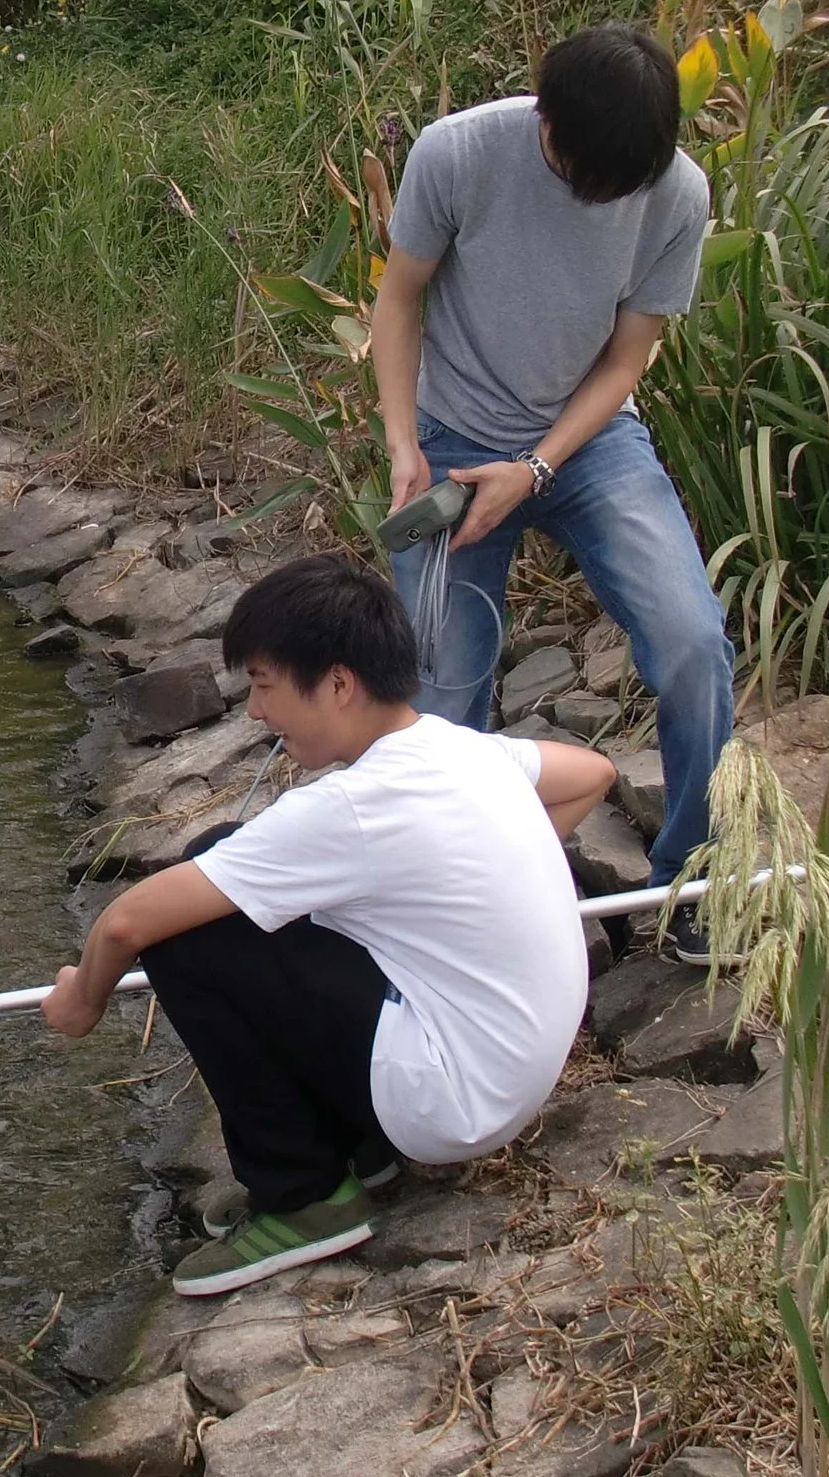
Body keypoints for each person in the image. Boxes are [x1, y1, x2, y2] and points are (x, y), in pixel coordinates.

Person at [41, 554, 615, 1296]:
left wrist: (81, 1002)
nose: (255, 712)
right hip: (503, 1067)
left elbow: (127, 924)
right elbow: (592, 773)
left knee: (185, 934)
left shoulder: (352, 807)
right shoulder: (461, 749)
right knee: (221, 862)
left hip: (454, 1100)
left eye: (265, 685)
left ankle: (303, 1195)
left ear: (338, 684)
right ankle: (361, 1148)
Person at [370, 21, 736, 963]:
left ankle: (690, 877)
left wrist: (537, 467)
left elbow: (629, 356)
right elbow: (401, 296)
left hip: (588, 441)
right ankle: (453, 902)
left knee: (694, 646)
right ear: (546, 118)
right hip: (451, 442)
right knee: (443, 691)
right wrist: (405, 445)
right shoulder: (458, 152)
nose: (603, 194)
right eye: (586, 170)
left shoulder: (678, 193)